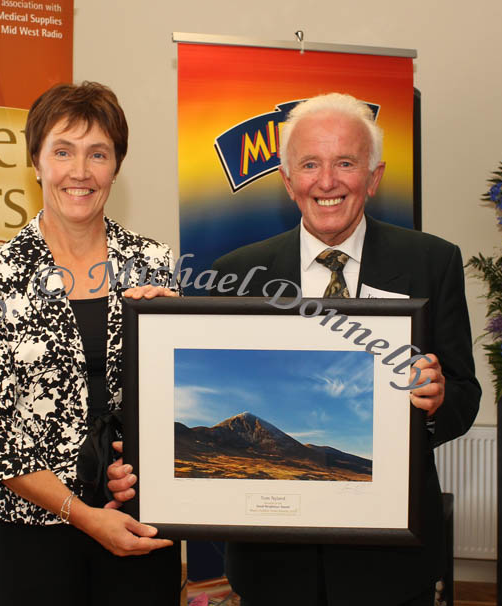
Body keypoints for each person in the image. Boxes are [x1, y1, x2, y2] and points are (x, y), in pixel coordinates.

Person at [109, 92, 481, 605]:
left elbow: (465, 395)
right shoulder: (234, 274)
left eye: (345, 163)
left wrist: (437, 402)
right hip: (272, 568)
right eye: (310, 164)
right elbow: (191, 371)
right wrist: (154, 325)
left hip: (392, 567)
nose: (326, 182)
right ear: (288, 180)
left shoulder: (432, 263)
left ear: (373, 177)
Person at [0, 81, 181, 605]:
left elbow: (182, 404)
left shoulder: (155, 263)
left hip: (137, 525)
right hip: (32, 538)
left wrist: (177, 334)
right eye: (63, 151)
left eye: (97, 154)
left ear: (116, 167)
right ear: (35, 161)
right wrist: (83, 516)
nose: (80, 172)